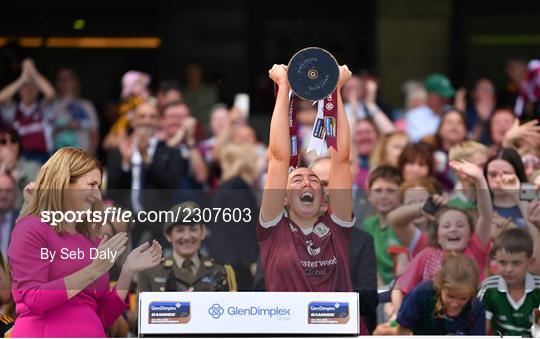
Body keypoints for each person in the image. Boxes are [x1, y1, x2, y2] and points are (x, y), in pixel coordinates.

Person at [7, 147, 162, 337]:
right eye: (92, 184)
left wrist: (127, 271)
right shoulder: (31, 228)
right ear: (64, 183)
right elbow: (34, 298)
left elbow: (102, 316)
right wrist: (93, 270)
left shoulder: (91, 239)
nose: (97, 195)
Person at [258, 63, 354, 292]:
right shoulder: (273, 227)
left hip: (333, 326)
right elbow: (279, 159)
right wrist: (283, 87)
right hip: (285, 327)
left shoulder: (337, 227)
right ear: (283, 198)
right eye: (297, 179)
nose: (307, 182)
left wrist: (335, 91)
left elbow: (340, 160)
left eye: (314, 180)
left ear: (325, 198)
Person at [106, 101, 187, 245]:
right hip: (126, 228)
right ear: (133, 121)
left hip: (159, 227)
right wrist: (125, 162)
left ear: (158, 122)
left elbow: (170, 188)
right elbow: (111, 191)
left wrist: (146, 159)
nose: (147, 121)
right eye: (142, 117)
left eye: (152, 117)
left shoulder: (170, 152)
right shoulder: (118, 152)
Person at [137, 201, 237, 292]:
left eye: (193, 229)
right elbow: (142, 312)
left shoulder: (222, 271)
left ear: (203, 232)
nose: (187, 237)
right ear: (168, 235)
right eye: (180, 230)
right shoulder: (150, 273)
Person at [395, 253, 485, 335]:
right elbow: (403, 329)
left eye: (463, 298)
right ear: (440, 285)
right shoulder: (422, 294)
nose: (454, 304)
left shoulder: (475, 308)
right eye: (450, 296)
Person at [478, 228, 540, 337]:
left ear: (531, 262)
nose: (508, 269)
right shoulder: (488, 288)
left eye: (516, 263)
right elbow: (481, 330)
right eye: (502, 262)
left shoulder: (538, 288)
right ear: (495, 260)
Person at [0, 58, 55, 163]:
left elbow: (51, 94)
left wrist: (34, 73)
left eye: (33, 86)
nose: (29, 89)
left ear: (39, 90)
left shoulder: (43, 108)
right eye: (25, 86)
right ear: (19, 90)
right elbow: (1, 98)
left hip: (43, 159)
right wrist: (23, 78)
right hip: (19, 161)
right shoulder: (13, 110)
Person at [362, 165, 404, 287]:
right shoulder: (368, 225)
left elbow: (402, 270)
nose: (384, 196)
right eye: (378, 190)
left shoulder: (404, 225)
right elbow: (369, 265)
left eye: (390, 191)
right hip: (377, 289)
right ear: (369, 195)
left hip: (400, 288)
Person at [0, 124, 41, 209]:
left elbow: (42, 198)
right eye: (3, 142)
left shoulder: (34, 168)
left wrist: (19, 178)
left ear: (19, 145)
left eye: (13, 140)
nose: (9, 145)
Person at [405, 73, 455, 142]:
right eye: (441, 96)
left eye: (447, 96)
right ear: (429, 94)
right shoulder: (415, 115)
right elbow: (423, 141)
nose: (445, 100)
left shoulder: (452, 111)